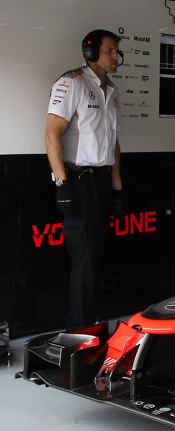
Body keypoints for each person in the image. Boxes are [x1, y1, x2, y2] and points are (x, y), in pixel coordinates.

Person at [45, 29, 124, 331]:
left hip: (102, 182)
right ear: (91, 53)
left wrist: (117, 189)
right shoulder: (71, 84)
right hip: (78, 181)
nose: (116, 57)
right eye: (110, 51)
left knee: (98, 255)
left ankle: (88, 321)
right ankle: (77, 328)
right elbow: (52, 133)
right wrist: (62, 183)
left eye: (118, 52)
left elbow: (114, 144)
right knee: (85, 258)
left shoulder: (112, 91)